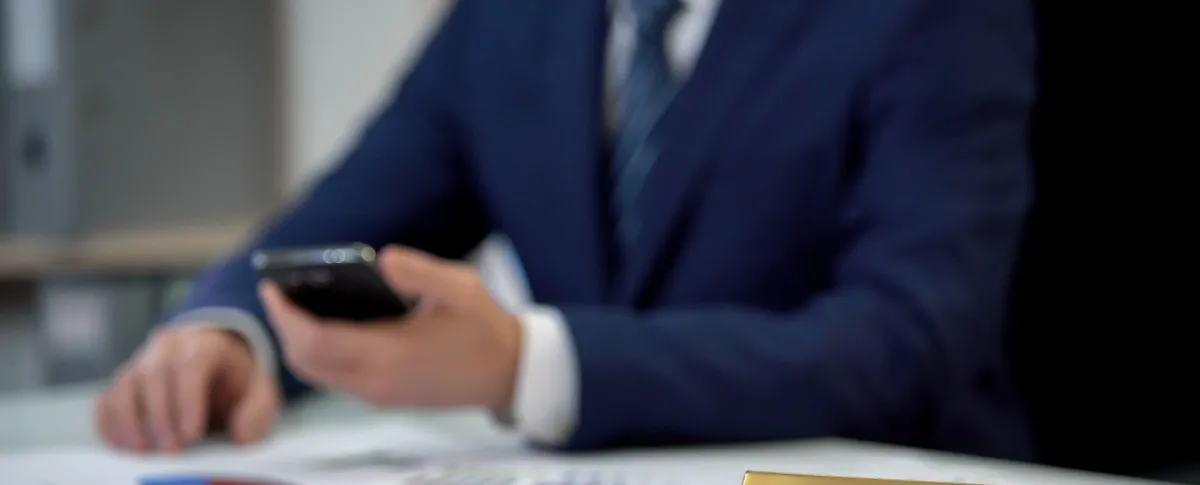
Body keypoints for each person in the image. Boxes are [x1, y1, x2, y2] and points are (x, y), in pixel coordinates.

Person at [93, 0, 1037, 460]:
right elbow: (338, 222)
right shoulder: (513, 19)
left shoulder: (930, 12)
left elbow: (913, 337)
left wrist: (531, 363)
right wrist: (228, 331)